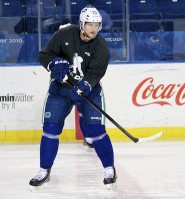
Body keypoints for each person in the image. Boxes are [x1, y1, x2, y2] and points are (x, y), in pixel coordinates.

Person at [29, 5, 117, 190]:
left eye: (97, 24)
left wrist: (86, 84)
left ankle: (109, 168)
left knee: (96, 131)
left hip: (88, 92)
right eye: (90, 24)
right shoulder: (65, 34)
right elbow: (44, 55)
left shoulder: (101, 47)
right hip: (60, 90)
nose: (93, 28)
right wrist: (53, 64)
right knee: (50, 129)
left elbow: (95, 73)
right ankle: (44, 170)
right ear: (81, 24)